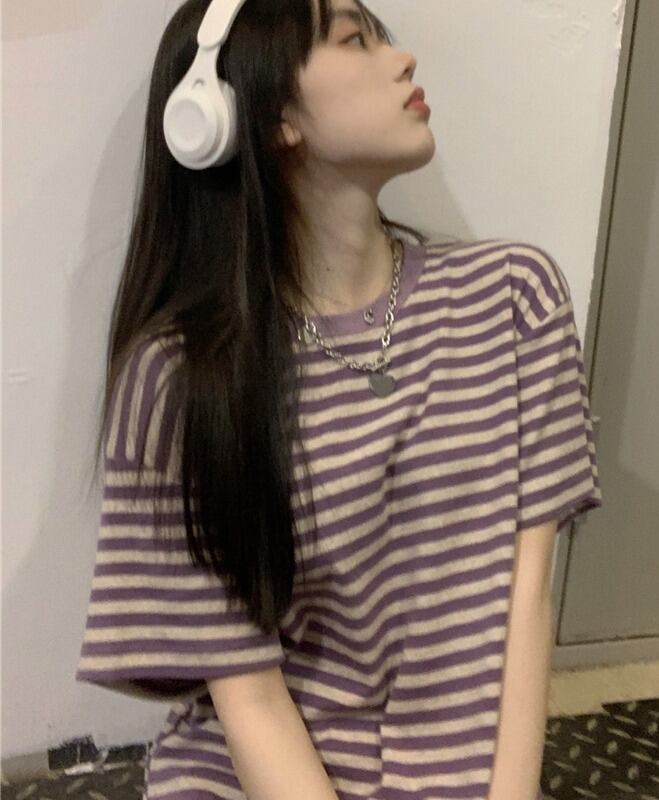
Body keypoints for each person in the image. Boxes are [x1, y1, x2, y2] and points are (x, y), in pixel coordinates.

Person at [75, 0, 603, 798]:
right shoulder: (185, 379)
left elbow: (526, 600)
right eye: (357, 39)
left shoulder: (514, 300)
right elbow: (247, 694)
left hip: (464, 772)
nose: (403, 59)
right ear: (273, 116)